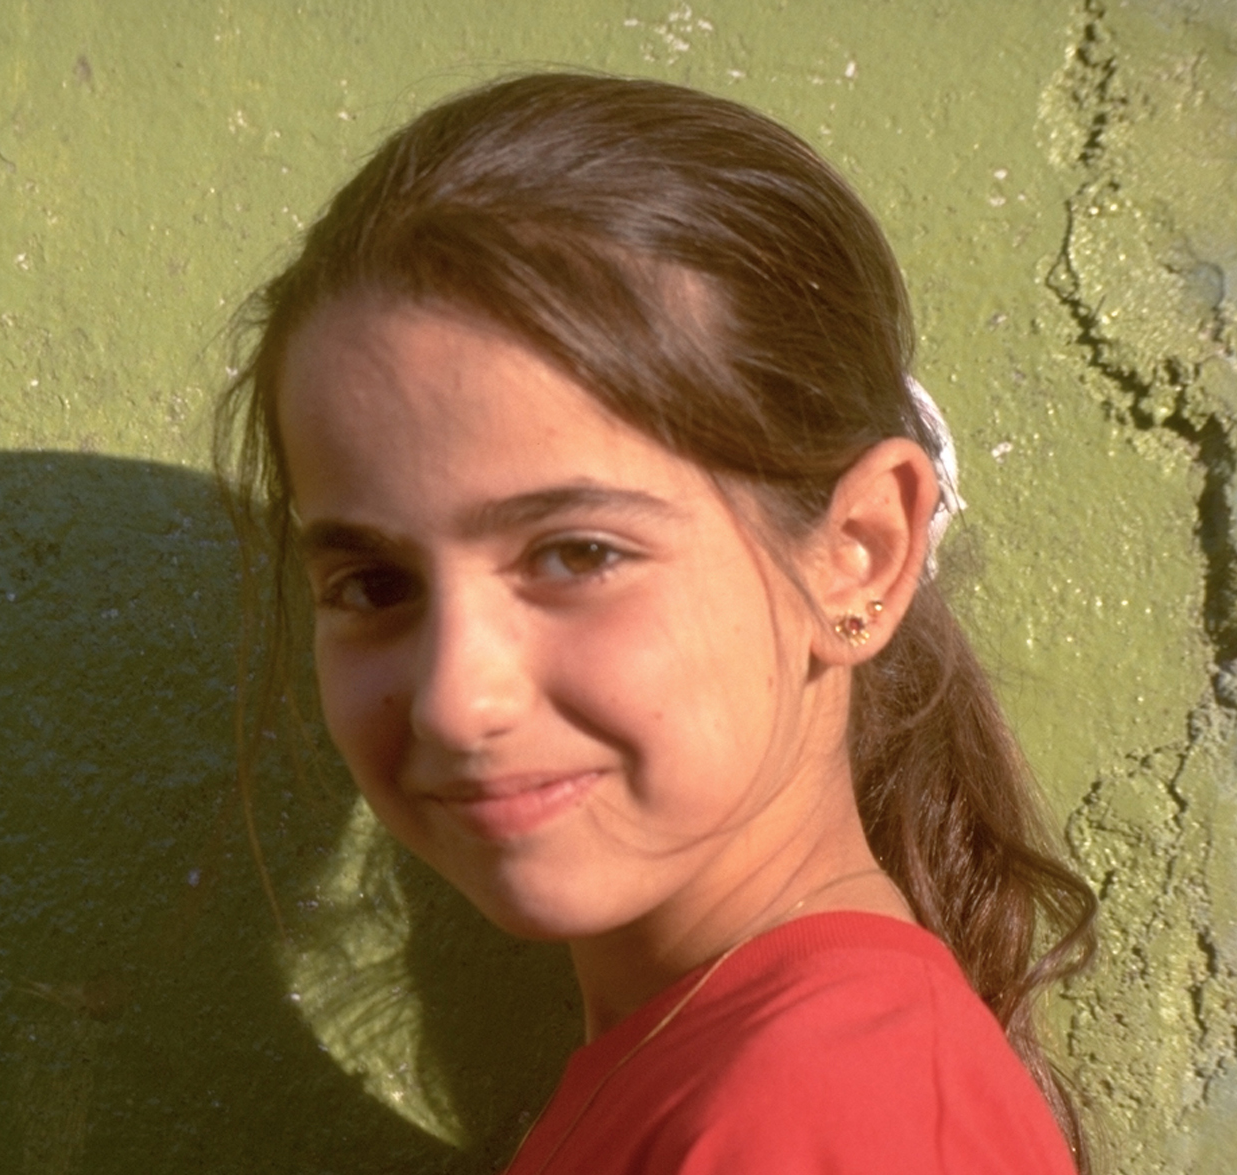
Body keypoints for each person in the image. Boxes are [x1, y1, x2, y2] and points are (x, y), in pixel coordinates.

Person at [216, 73, 1097, 1174]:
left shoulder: (825, 1116)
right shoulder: (721, 1065)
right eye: (375, 585)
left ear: (858, 553)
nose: (454, 698)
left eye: (577, 554)